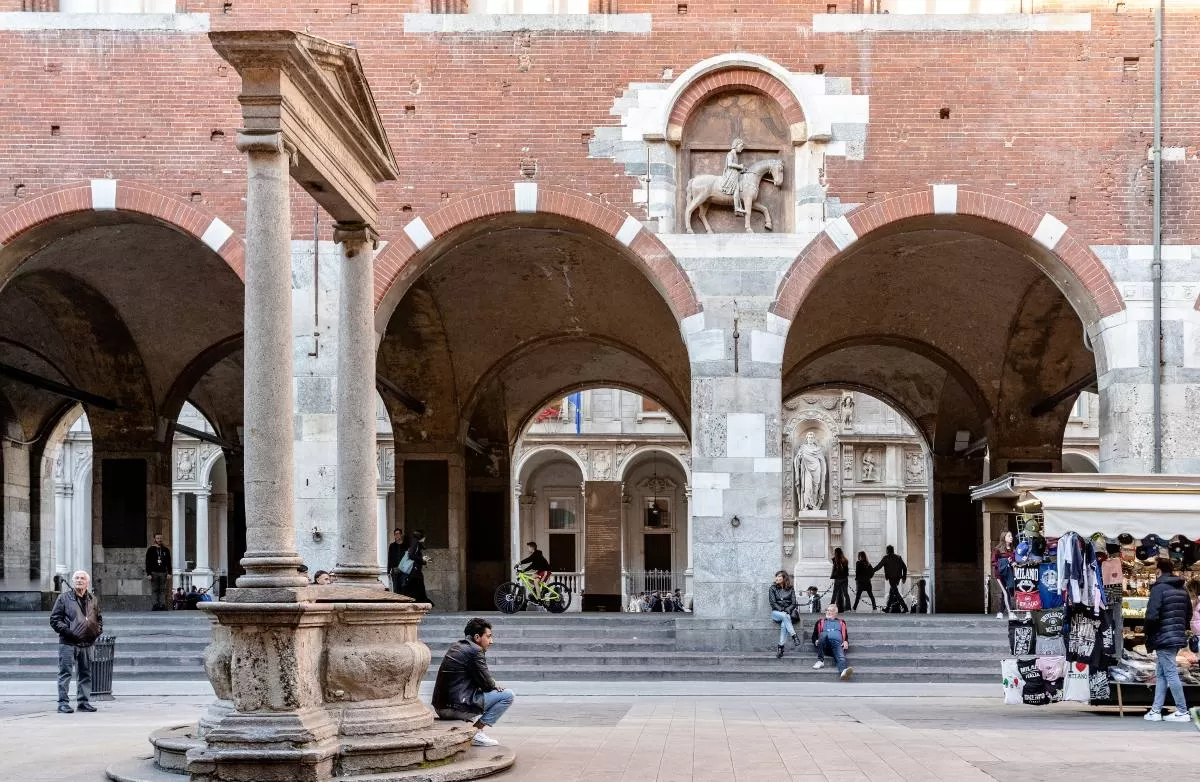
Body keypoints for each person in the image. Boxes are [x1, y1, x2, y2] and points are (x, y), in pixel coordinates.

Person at [431, 617, 514, 747]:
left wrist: (487, 685)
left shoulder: (456, 646)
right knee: (507, 695)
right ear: (477, 637)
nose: (491, 641)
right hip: (456, 708)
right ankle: (476, 732)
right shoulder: (475, 651)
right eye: (488, 636)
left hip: (440, 707)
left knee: (484, 693)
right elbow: (487, 684)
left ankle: (473, 731)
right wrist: (493, 685)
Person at [1143, 558, 1191, 722]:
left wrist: (1148, 633)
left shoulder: (1159, 588)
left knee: (1169, 673)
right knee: (1161, 673)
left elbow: (1151, 615)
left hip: (1163, 637)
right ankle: (1156, 710)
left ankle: (1182, 711)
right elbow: (1188, 615)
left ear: (1158, 571)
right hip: (1176, 636)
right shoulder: (1183, 589)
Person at [49, 570, 103, 713]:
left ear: (88, 582)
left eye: (82, 578)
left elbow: (99, 618)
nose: (79, 580)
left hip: (87, 643)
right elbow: (55, 620)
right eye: (77, 578)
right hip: (68, 643)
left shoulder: (93, 599)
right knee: (65, 673)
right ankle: (63, 703)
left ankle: (83, 702)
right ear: (73, 581)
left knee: (85, 673)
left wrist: (97, 631)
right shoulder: (63, 598)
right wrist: (69, 632)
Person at [810, 604, 854, 680]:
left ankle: (843, 672)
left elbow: (845, 636)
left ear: (835, 613)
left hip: (837, 645)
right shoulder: (820, 622)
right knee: (823, 634)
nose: (828, 612)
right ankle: (820, 661)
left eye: (831, 611)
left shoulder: (841, 622)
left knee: (841, 655)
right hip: (825, 646)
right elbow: (813, 636)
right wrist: (816, 641)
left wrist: (846, 642)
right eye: (827, 610)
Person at [769, 570, 802, 659]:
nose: (777, 578)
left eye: (779, 576)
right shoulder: (772, 588)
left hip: (787, 613)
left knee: (784, 624)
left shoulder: (790, 589)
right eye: (776, 576)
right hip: (776, 613)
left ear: (784, 578)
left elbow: (793, 602)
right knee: (784, 616)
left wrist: (787, 610)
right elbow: (773, 603)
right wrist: (782, 610)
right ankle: (794, 635)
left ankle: (780, 647)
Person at [874, 545, 908, 613]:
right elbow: (904, 567)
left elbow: (878, 566)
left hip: (891, 578)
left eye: (886, 550)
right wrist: (904, 577)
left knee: (896, 593)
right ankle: (887, 608)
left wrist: (871, 570)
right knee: (891, 593)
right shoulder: (898, 557)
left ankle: (905, 607)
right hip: (897, 578)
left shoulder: (886, 558)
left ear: (888, 550)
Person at [401, 530, 431, 605]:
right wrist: (422, 559)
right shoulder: (415, 543)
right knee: (417, 589)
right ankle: (421, 604)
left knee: (417, 589)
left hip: (415, 571)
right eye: (424, 536)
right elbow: (411, 555)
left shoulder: (416, 543)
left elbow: (415, 556)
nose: (425, 538)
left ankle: (421, 604)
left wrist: (423, 561)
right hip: (414, 572)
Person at [991, 530, 1016, 619]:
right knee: (1006, 592)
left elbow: (1014, 559)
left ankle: (1000, 612)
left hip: (1010, 574)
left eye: (1011, 536)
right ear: (1004, 538)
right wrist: (1005, 562)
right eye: (1009, 536)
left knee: (1007, 591)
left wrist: (1013, 562)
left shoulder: (1013, 549)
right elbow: (994, 562)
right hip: (1000, 574)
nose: (1011, 537)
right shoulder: (997, 549)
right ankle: (1011, 612)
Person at [718, 137, 747, 215]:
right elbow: (730, 164)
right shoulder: (730, 153)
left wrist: (742, 169)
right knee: (736, 189)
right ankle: (737, 208)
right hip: (731, 174)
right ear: (736, 145)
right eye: (741, 146)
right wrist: (739, 166)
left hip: (734, 173)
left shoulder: (735, 154)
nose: (741, 149)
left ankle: (738, 207)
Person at [144, 532, 172, 611]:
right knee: (155, 589)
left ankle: (162, 605)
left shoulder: (165, 550)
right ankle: (155, 605)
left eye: (160, 538)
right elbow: (147, 562)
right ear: (154, 539)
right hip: (153, 572)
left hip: (163, 572)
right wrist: (148, 573)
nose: (159, 540)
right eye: (157, 538)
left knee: (163, 589)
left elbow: (169, 562)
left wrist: (169, 573)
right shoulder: (151, 549)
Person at [830, 547, 850, 613]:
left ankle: (831, 607)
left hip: (838, 579)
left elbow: (835, 569)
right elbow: (847, 571)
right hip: (844, 579)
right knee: (846, 594)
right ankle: (848, 608)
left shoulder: (834, 560)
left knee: (834, 593)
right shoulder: (845, 560)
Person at [386, 528, 406, 594]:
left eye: (398, 534)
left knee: (404, 588)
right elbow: (389, 558)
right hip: (395, 570)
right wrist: (388, 571)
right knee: (396, 588)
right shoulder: (392, 546)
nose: (397, 536)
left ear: (401, 535)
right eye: (395, 534)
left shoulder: (406, 546)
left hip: (404, 570)